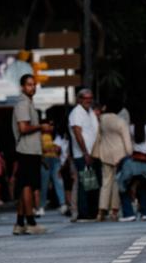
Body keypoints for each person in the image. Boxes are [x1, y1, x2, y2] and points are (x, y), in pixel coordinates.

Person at [13, 74, 51, 235]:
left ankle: (20, 223)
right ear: (22, 87)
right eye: (29, 85)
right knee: (28, 186)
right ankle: (30, 222)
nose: (32, 87)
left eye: (34, 84)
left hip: (30, 150)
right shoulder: (23, 104)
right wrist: (41, 127)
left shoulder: (28, 102)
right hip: (26, 150)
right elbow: (23, 128)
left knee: (25, 185)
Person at [94, 99, 132, 222]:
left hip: (105, 153)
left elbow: (98, 136)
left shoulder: (102, 120)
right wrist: (129, 153)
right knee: (116, 183)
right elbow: (127, 141)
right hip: (119, 155)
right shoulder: (121, 122)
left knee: (105, 183)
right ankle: (114, 211)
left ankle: (101, 211)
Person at [69, 88, 100, 220]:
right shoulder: (76, 113)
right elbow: (77, 133)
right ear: (79, 99)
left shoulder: (90, 112)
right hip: (82, 154)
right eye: (86, 98)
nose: (89, 100)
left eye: (90, 98)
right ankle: (83, 213)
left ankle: (92, 212)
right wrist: (85, 153)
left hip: (93, 153)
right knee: (84, 183)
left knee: (92, 183)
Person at [119, 112, 146, 221]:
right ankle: (145, 213)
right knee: (144, 187)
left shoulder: (129, 128)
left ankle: (129, 213)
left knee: (124, 186)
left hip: (133, 161)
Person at [38, 113, 69, 217]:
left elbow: (59, 149)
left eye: (52, 125)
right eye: (48, 124)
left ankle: (63, 204)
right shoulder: (39, 136)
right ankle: (41, 206)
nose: (51, 127)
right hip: (45, 160)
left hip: (55, 159)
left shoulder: (55, 135)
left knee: (58, 182)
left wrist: (56, 150)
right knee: (44, 184)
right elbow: (39, 150)